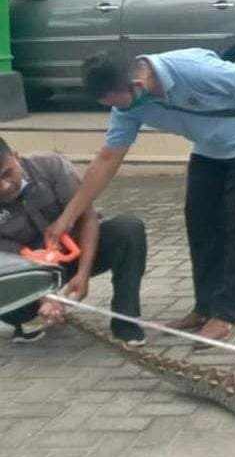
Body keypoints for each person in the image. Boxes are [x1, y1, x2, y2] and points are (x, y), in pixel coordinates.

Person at [45, 48, 235, 345]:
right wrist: (66, 218)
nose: (119, 110)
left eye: (117, 102)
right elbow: (108, 158)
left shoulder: (190, 69)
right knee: (200, 228)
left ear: (137, 83)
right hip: (207, 152)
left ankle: (227, 313)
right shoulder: (126, 106)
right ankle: (204, 307)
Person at [0, 137, 147, 346]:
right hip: (26, 268)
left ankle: (126, 321)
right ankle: (27, 320)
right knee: (10, 304)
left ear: (15, 157)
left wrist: (83, 275)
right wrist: (45, 296)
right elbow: (9, 260)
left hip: (75, 250)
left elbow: (88, 217)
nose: (4, 186)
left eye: (7, 173)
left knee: (128, 229)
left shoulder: (50, 165)